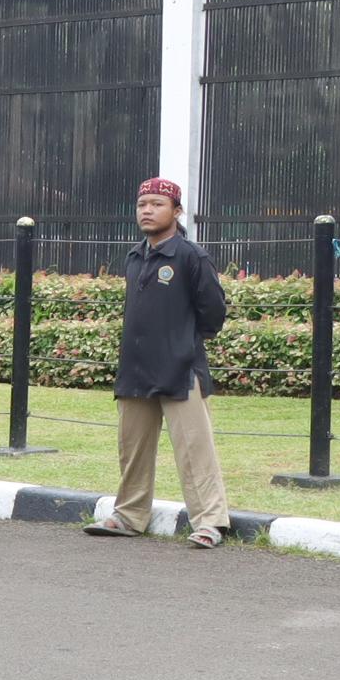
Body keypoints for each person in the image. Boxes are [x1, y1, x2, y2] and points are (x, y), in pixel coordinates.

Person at [87, 176, 234, 549]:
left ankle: (209, 522)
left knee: (194, 450)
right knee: (132, 449)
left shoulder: (191, 256)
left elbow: (213, 313)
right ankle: (129, 516)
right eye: (142, 204)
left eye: (157, 204)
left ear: (176, 211)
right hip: (135, 367)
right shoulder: (135, 256)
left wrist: (181, 340)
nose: (148, 210)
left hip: (181, 368)